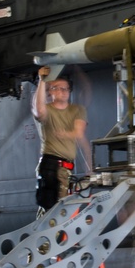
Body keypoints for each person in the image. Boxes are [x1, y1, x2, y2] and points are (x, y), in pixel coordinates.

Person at [32, 66, 90, 212]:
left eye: (65, 89)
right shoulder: (48, 110)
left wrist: (90, 167)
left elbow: (79, 133)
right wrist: (42, 81)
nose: (62, 92)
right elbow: (39, 110)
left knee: (63, 208)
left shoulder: (77, 110)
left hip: (67, 168)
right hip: (51, 164)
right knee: (52, 209)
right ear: (50, 91)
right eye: (57, 88)